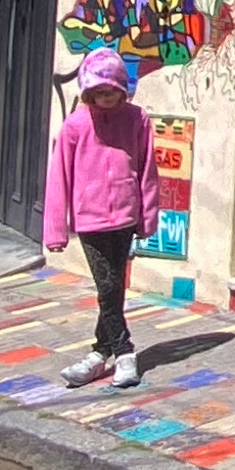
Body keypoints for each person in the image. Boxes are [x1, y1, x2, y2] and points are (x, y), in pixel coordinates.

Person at [45, 46, 161, 389]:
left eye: (112, 91)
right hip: (90, 221)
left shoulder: (138, 120)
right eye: (99, 92)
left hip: (125, 218)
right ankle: (125, 353)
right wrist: (56, 230)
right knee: (108, 287)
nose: (106, 98)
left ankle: (98, 355)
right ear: (88, 91)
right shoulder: (75, 126)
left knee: (114, 289)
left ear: (122, 89)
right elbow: (58, 178)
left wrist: (147, 216)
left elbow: (148, 169)